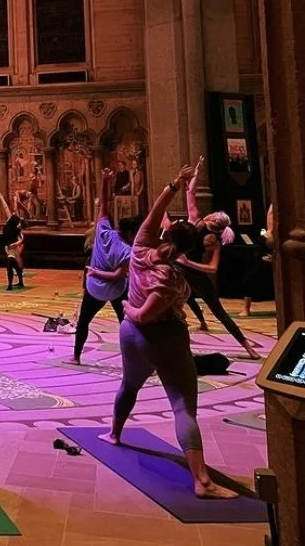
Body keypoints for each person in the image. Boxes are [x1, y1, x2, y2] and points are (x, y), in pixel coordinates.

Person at [103, 163, 237, 500]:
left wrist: (176, 183)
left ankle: (114, 433)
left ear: (167, 235)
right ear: (187, 249)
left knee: (128, 384)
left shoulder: (140, 249)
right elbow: (147, 314)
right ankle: (202, 481)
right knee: (182, 407)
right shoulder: (172, 280)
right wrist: (133, 310)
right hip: (163, 338)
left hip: (129, 335)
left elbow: (154, 213)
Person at [175, 158, 261, 360]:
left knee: (219, 312)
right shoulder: (196, 220)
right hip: (178, 269)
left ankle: (248, 347)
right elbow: (189, 193)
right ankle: (175, 345)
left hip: (191, 272)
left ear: (213, 220)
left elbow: (213, 269)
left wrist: (189, 263)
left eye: (212, 215)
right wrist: (197, 173)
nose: (210, 214)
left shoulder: (213, 239)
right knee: (174, 304)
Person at [67, 169, 137, 365]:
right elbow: (117, 276)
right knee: (126, 324)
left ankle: (76, 356)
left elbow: (103, 207)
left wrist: (105, 180)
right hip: (116, 290)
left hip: (94, 287)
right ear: (131, 233)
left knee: (84, 322)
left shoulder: (103, 232)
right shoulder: (127, 251)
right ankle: (132, 359)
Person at [242, 204, 274, 318]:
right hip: (262, 258)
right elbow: (270, 212)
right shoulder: (269, 230)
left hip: (275, 261)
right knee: (249, 278)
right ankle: (246, 309)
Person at [0, 190, 25, 290]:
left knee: (10, 264)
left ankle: (10, 284)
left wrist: (15, 244)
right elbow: (8, 208)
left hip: (13, 248)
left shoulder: (15, 224)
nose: (11, 212)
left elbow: (21, 239)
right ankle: (20, 282)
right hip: (9, 247)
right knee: (14, 265)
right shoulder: (10, 221)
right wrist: (2, 197)